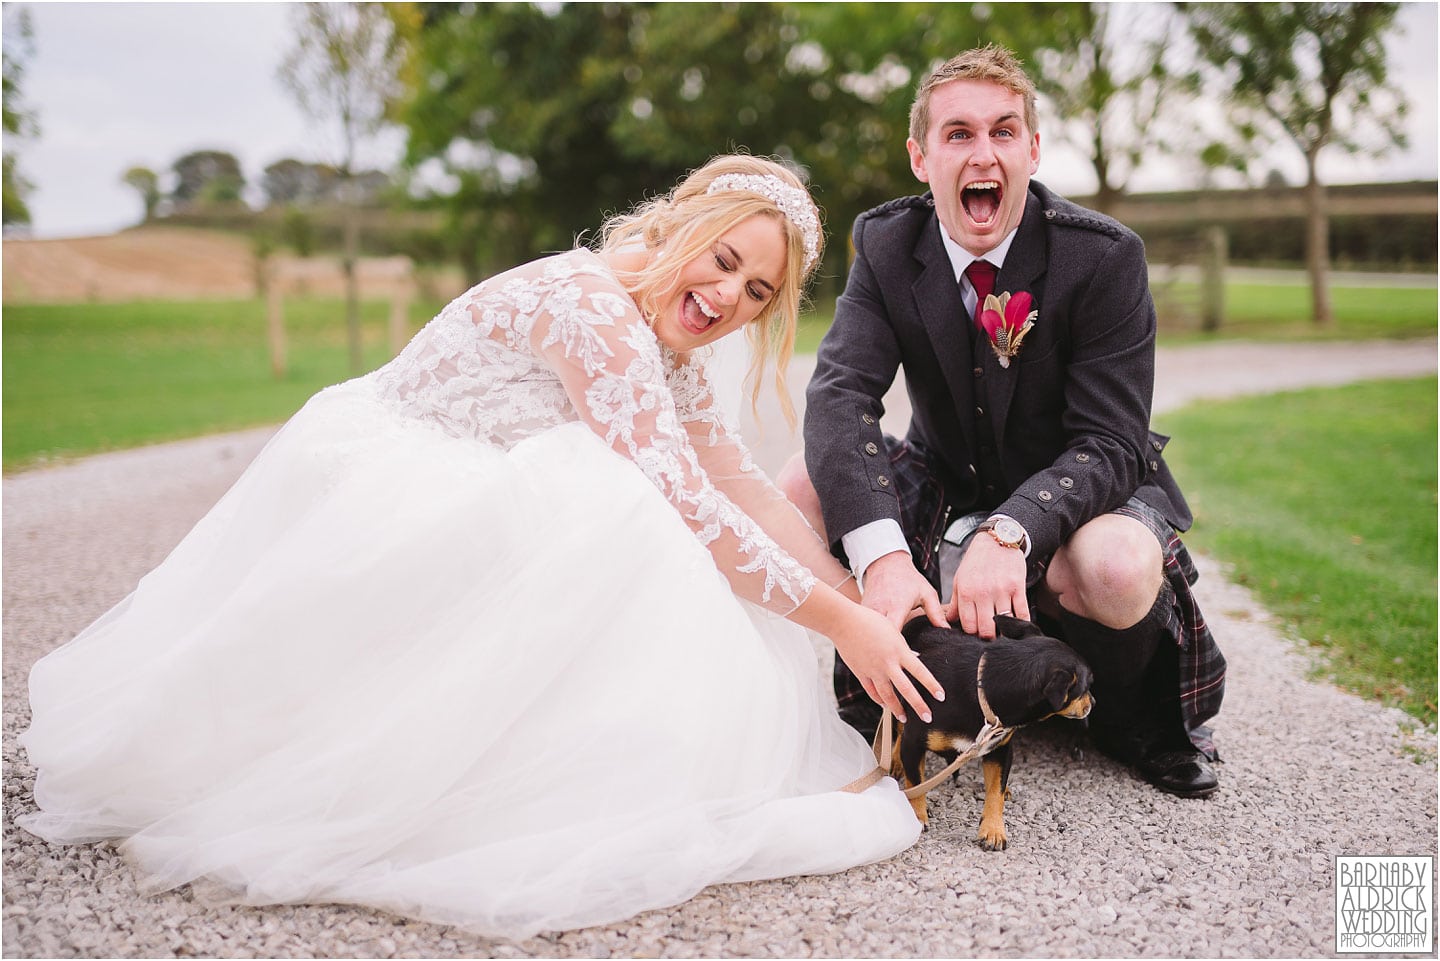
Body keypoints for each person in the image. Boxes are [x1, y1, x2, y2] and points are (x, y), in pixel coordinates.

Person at [18, 155, 944, 939]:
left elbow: (738, 480)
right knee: (626, 511)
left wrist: (862, 593)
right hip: (392, 498)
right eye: (726, 260)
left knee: (638, 504)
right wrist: (839, 624)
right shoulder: (595, 303)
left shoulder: (665, 331)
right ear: (682, 224)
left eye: (757, 293)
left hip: (481, 495)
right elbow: (688, 506)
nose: (728, 298)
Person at [779, 46, 1225, 798]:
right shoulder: (888, 244)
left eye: (1003, 131)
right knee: (798, 488)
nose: (983, 152)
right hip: (948, 476)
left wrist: (1012, 529)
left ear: (1033, 149)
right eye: (958, 134)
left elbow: (1114, 441)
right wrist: (884, 556)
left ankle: (1126, 714)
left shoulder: (1104, 257)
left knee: (1115, 568)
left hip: (1086, 500)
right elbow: (839, 395)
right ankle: (882, 681)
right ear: (921, 158)